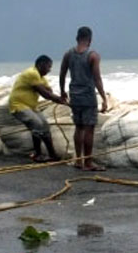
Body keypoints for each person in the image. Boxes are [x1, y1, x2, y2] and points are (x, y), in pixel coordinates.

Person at [60, 26, 108, 171]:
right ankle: (88, 162)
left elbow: (62, 74)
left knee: (79, 127)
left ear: (77, 38)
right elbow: (97, 79)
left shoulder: (68, 54)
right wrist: (104, 98)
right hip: (87, 95)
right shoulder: (92, 55)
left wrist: (62, 91)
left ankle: (78, 161)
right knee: (89, 129)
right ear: (90, 40)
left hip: (74, 94)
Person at [8, 55, 68, 162]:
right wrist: (58, 99)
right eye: (48, 67)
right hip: (18, 105)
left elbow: (49, 91)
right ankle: (37, 154)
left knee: (44, 126)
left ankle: (52, 155)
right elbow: (45, 94)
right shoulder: (32, 73)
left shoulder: (41, 78)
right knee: (37, 124)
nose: (49, 70)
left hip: (31, 107)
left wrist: (61, 99)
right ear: (41, 65)